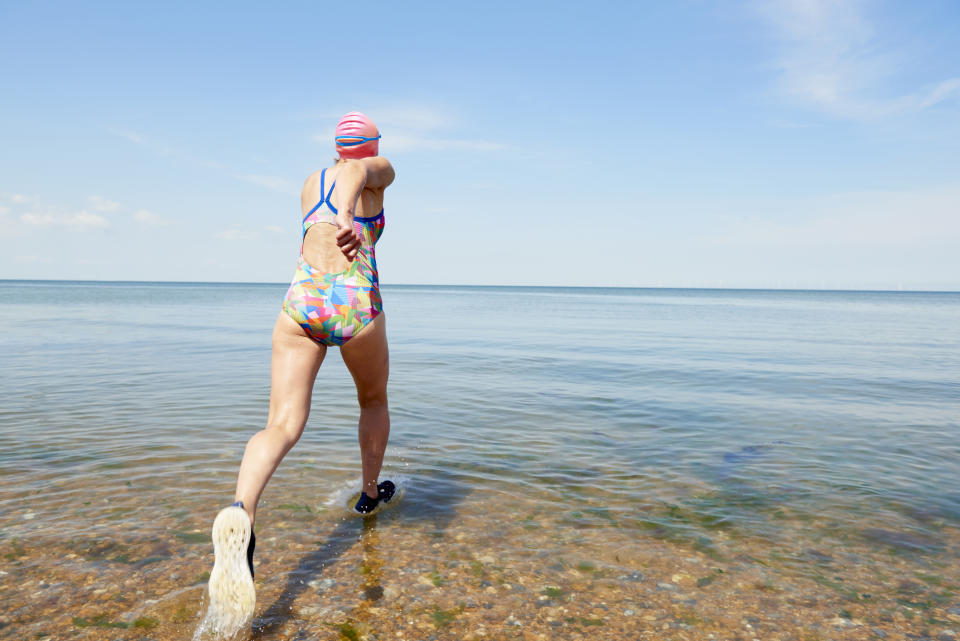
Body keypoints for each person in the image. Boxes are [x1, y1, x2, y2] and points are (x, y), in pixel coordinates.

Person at [202, 112, 397, 633]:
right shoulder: (376, 169)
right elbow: (360, 171)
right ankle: (369, 492)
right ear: (371, 145)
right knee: (373, 401)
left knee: (281, 424)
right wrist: (352, 213)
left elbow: (341, 172)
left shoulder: (311, 181)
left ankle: (241, 512)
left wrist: (337, 208)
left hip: (302, 298)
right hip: (354, 301)